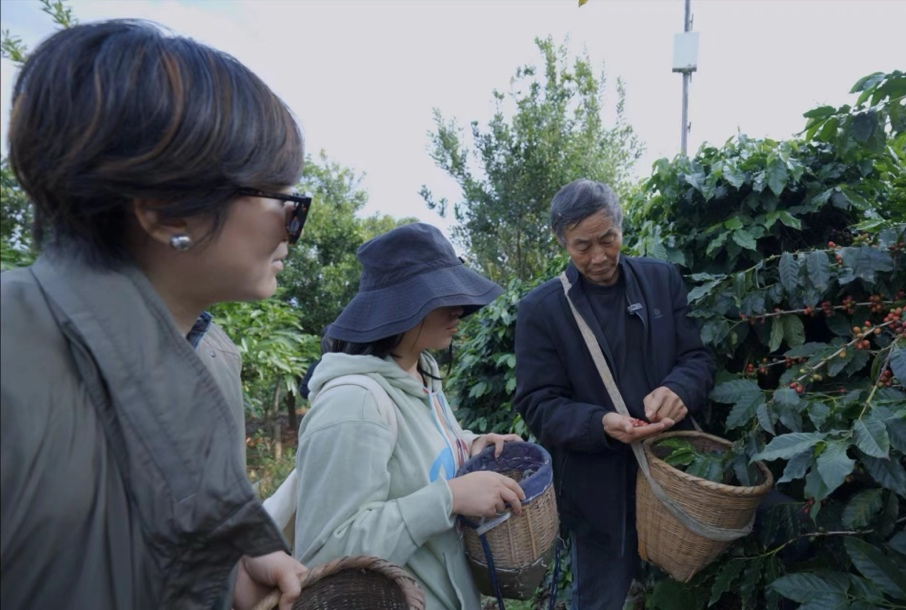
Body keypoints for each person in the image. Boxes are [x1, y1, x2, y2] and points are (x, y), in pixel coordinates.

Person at [0, 20, 313, 609]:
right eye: (283, 200)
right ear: (169, 213)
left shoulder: (208, 356)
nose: (292, 230)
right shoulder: (13, 357)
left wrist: (229, 571)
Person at [294, 223, 525, 610]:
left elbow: (419, 457)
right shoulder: (354, 404)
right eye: (441, 296)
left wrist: (470, 446)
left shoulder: (421, 372)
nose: (459, 309)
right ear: (400, 305)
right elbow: (326, 553)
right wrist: (449, 498)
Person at [514, 179, 715, 609]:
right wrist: (599, 424)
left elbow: (696, 358)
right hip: (597, 493)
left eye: (608, 239)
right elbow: (538, 403)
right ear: (561, 242)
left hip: (672, 471)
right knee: (599, 597)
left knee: (691, 585)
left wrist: (678, 389)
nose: (599, 256)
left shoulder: (661, 280)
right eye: (582, 246)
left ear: (621, 228)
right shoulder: (542, 310)